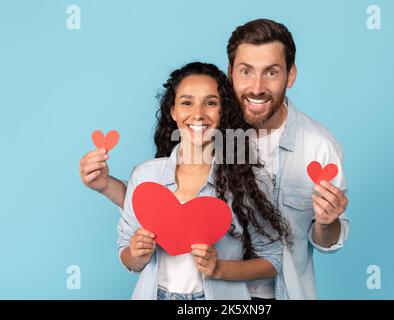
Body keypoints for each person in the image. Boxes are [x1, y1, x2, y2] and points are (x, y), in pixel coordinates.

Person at [80, 19, 349, 299]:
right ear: (231, 72)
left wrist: (327, 223)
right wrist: (106, 185)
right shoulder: (200, 143)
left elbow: (316, 243)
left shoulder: (319, 146)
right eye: (246, 71)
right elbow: (161, 206)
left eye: (271, 72)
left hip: (277, 292)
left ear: (290, 75)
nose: (257, 87)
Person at [85, 62, 292, 300]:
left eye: (211, 103)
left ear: (223, 111)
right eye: (186, 102)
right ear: (173, 111)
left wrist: (220, 268)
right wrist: (136, 254)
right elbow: (128, 257)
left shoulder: (249, 181)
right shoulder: (145, 176)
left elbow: (273, 259)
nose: (198, 114)